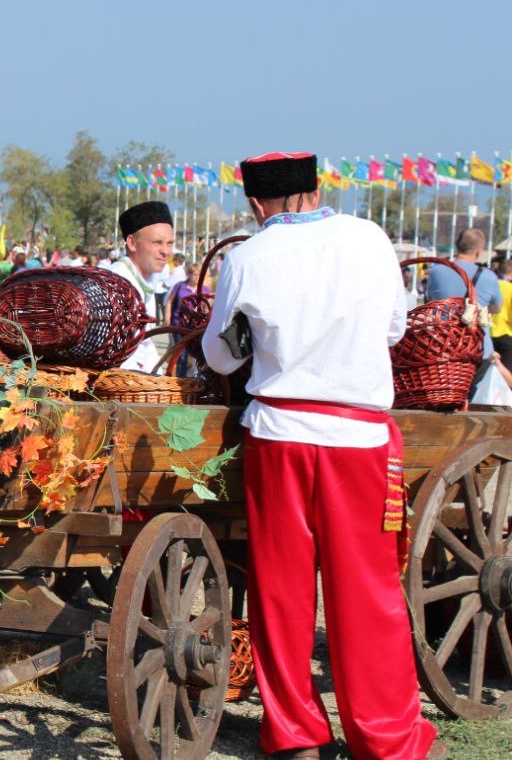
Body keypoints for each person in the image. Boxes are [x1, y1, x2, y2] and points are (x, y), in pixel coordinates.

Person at [203, 153, 442, 760]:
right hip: (357, 437)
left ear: (257, 205)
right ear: (315, 189)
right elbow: (393, 329)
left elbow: (220, 357)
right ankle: (385, 737)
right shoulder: (367, 237)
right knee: (367, 592)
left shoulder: (246, 257)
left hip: (279, 434)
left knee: (281, 594)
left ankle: (294, 735)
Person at [111, 200, 174, 372]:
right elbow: (116, 355)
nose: (165, 251)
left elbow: (144, 344)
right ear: (132, 243)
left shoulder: (144, 280)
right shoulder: (116, 284)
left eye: (169, 243)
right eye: (157, 242)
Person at [426, 228, 501, 361]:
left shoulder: (436, 271)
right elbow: (496, 308)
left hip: (443, 346)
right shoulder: (489, 277)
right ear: (479, 252)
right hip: (479, 347)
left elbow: (430, 302)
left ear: (457, 244)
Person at [487, 257, 512, 366]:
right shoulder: (510, 288)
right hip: (506, 333)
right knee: (507, 373)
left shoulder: (490, 286)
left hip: (488, 334)